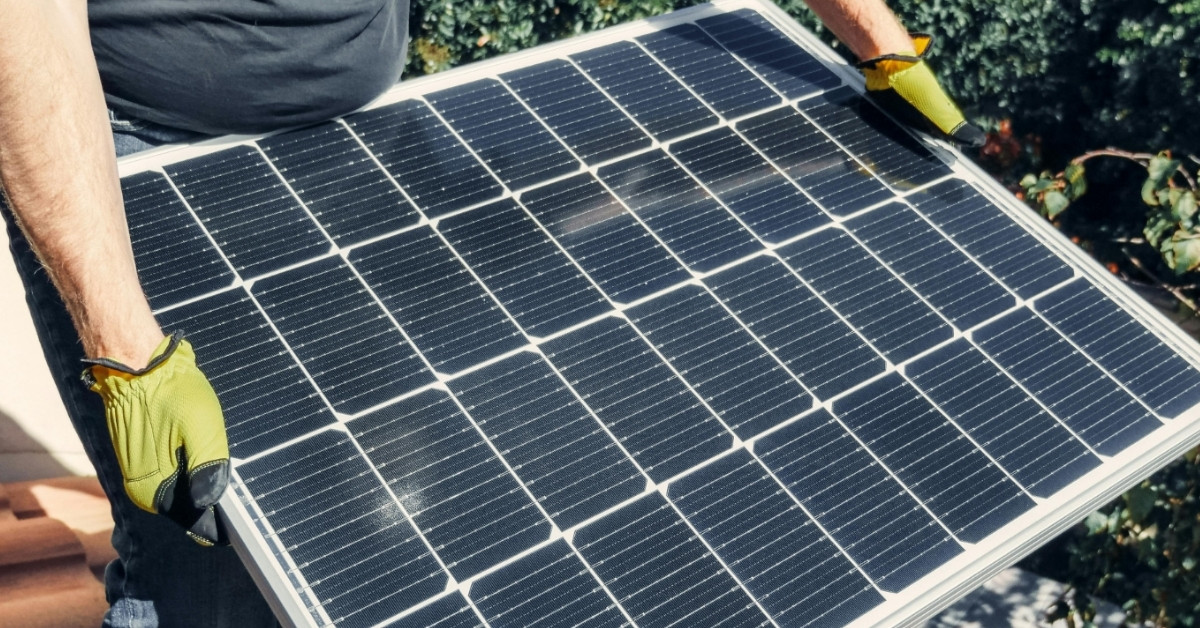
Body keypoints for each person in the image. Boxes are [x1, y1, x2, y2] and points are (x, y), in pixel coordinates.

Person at [0, 0, 979, 625]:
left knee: (365, 527)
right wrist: (125, 347)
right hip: (134, 143)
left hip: (361, 135)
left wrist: (878, 41)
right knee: (209, 552)